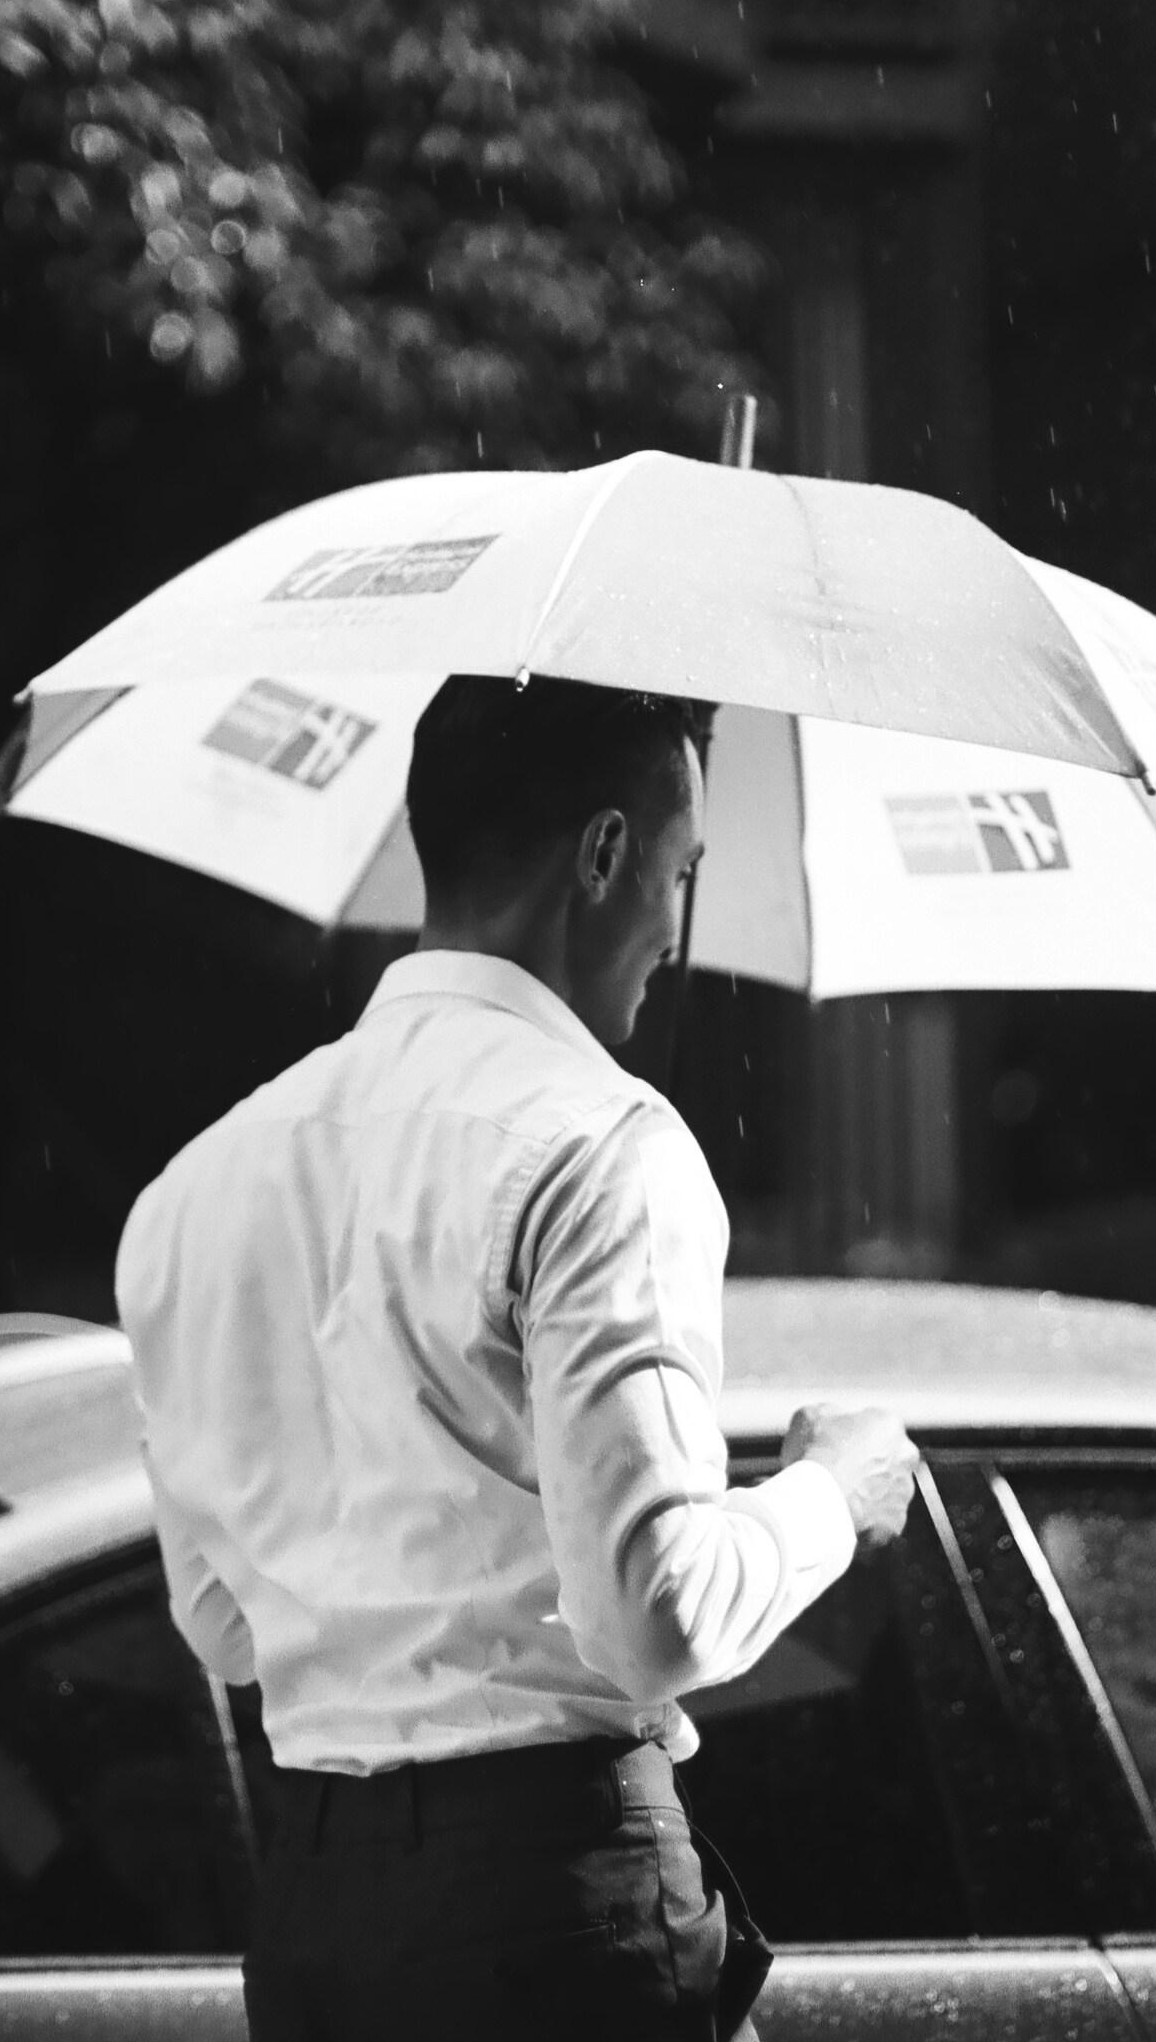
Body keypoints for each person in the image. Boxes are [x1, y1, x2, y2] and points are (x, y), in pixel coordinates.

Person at [116, 673, 924, 2040]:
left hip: (317, 1916)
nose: (676, 929)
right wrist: (834, 1496)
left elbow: (224, 1629)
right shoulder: (601, 1146)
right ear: (605, 855)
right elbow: (653, 1618)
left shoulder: (192, 1189)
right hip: (550, 1909)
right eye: (684, 870)